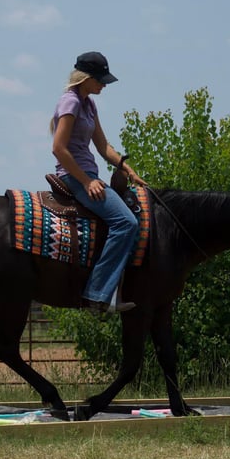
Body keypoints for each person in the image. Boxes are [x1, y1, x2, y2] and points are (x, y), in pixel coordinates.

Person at [51, 51, 146, 314]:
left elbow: (103, 146)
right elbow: (58, 148)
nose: (104, 85)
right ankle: (97, 294)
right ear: (86, 78)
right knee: (126, 222)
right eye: (100, 80)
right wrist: (86, 181)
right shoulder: (69, 103)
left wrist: (127, 169)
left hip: (89, 175)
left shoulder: (89, 105)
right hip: (74, 176)